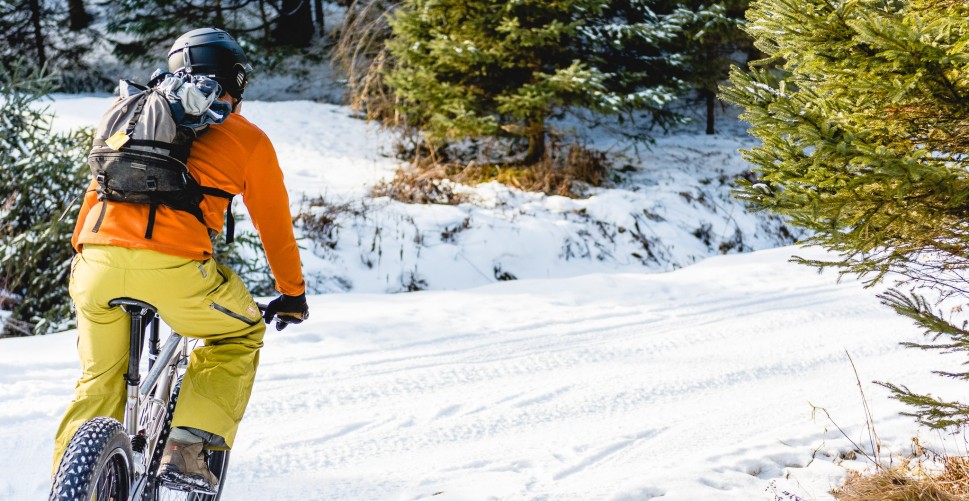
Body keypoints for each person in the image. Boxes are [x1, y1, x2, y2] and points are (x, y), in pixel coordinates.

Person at [51, 27, 309, 492]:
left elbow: (96, 190)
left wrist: (94, 258)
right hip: (176, 269)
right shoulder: (246, 138)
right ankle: (186, 449)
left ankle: (71, 484)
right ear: (235, 81)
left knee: (98, 380)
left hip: (95, 265)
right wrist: (292, 292)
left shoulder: (133, 116)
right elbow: (275, 226)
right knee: (239, 333)